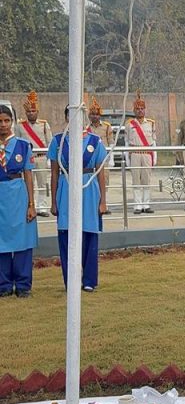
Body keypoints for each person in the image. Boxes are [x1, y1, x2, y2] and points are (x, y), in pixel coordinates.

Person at [48, 107, 107, 292]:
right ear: (67, 117)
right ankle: (70, 281)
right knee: (67, 235)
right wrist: (53, 201)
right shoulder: (58, 141)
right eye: (71, 115)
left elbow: (101, 173)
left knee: (89, 234)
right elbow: (54, 172)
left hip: (89, 189)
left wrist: (103, 201)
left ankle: (89, 280)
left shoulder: (95, 141)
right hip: (66, 189)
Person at [0, 101, 38, 297]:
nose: (3, 125)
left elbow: (28, 175)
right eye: (0, 121)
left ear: (12, 122)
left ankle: (23, 285)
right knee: (1, 241)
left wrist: (31, 204)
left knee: (23, 240)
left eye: (7, 121)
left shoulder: (23, 146)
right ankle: (3, 285)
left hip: (18, 195)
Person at [17, 90, 52, 216]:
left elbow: (50, 142)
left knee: (43, 183)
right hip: (27, 159)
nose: (31, 113)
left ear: (37, 111)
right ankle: (29, 205)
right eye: (29, 111)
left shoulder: (44, 124)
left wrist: (49, 158)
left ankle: (42, 206)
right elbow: (17, 143)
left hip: (41, 157)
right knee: (28, 183)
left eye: (33, 111)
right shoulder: (20, 125)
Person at [125, 92, 156, 214]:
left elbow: (154, 142)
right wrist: (127, 158)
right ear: (134, 110)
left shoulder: (151, 123)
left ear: (145, 109)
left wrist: (155, 157)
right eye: (137, 109)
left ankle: (146, 204)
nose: (140, 111)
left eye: (142, 108)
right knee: (136, 180)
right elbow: (127, 142)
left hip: (147, 153)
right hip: (135, 153)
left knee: (146, 180)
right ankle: (137, 205)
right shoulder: (129, 124)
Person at [87, 97, 113, 210]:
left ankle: (103, 203)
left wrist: (111, 158)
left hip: (103, 159)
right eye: (92, 114)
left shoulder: (106, 126)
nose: (95, 116)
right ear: (89, 115)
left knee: (104, 182)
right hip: (90, 159)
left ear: (100, 115)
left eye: (97, 114)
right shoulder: (86, 127)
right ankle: (94, 205)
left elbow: (111, 143)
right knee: (91, 182)